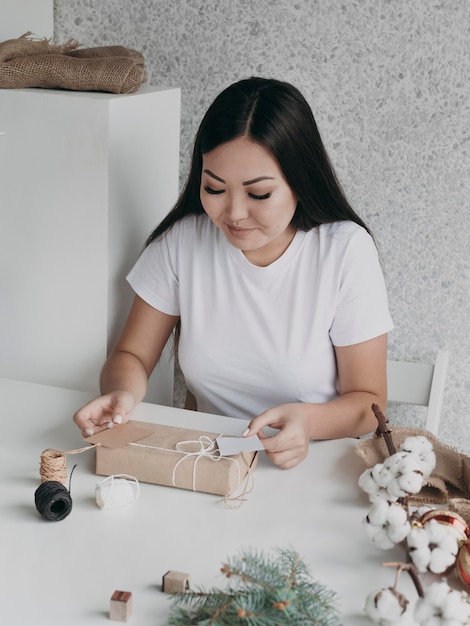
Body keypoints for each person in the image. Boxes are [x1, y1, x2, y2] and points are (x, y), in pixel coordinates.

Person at [73, 77, 393, 469]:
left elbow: (368, 402)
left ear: (300, 181)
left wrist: (306, 422)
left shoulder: (344, 250)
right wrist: (122, 394)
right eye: (214, 188)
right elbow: (132, 355)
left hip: (311, 468)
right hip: (208, 464)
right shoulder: (184, 241)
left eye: (258, 194)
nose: (235, 213)